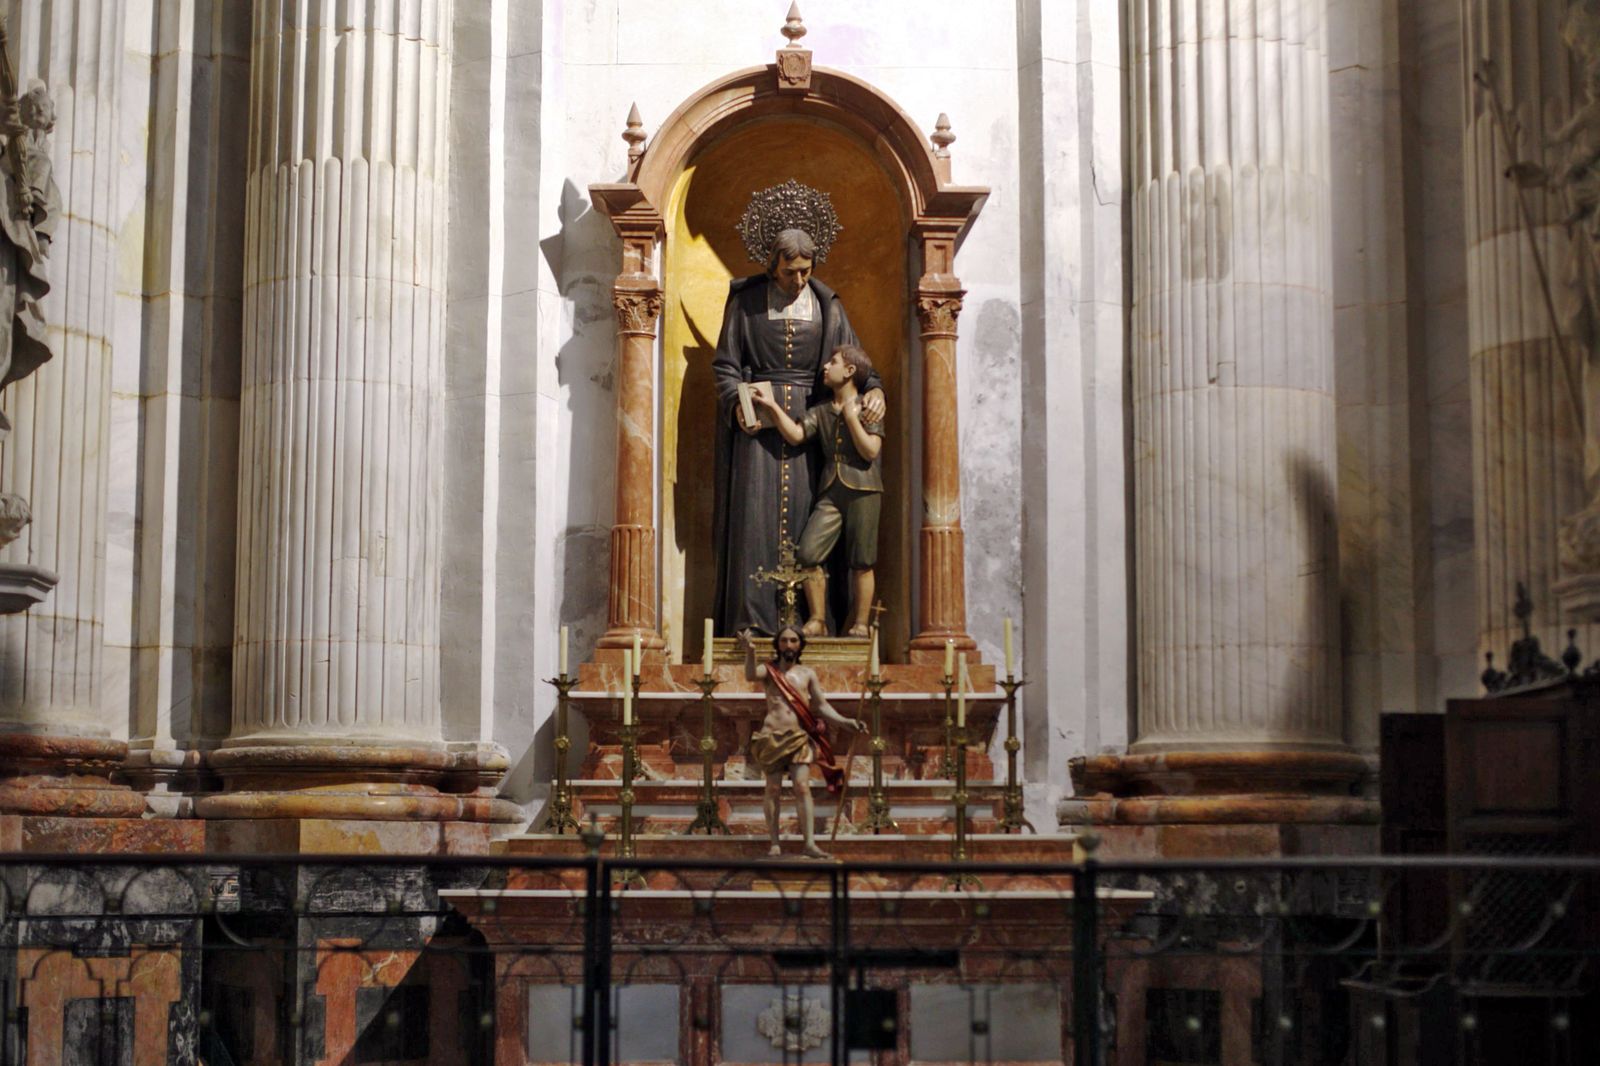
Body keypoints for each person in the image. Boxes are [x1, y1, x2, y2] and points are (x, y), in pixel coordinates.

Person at [712, 227, 886, 636]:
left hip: (813, 427)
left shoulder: (828, 306)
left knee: (810, 524)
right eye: (790, 271)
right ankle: (753, 621)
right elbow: (726, 365)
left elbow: (858, 364)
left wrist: (875, 390)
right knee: (754, 520)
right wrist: (737, 403)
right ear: (773, 266)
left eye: (806, 270)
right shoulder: (745, 302)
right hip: (758, 428)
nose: (799, 279)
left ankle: (811, 619)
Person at [753, 345, 883, 638]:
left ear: (849, 371)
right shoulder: (822, 411)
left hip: (864, 488)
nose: (825, 366)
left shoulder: (869, 406)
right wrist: (772, 407)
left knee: (862, 560)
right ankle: (818, 619)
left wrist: (852, 418)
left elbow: (871, 450)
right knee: (809, 553)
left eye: (833, 362)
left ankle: (861, 623)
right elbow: (797, 435)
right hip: (831, 490)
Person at [741, 625, 864, 858]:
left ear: (800, 645)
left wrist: (845, 721)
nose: (788, 645)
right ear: (778, 645)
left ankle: (809, 843)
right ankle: (774, 843)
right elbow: (750, 675)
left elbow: (821, 705)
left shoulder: (807, 673)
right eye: (784, 640)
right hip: (772, 737)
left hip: (798, 737)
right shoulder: (769, 670)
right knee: (773, 788)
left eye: (793, 640)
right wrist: (750, 651)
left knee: (802, 786)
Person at [0, 80, 58, 435]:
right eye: (31, 107)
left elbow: (50, 204)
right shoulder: (12, 148)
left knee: (6, 320)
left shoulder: (39, 156)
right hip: (8, 234)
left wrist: (41, 227)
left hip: (14, 240)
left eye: (44, 108)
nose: (37, 111)